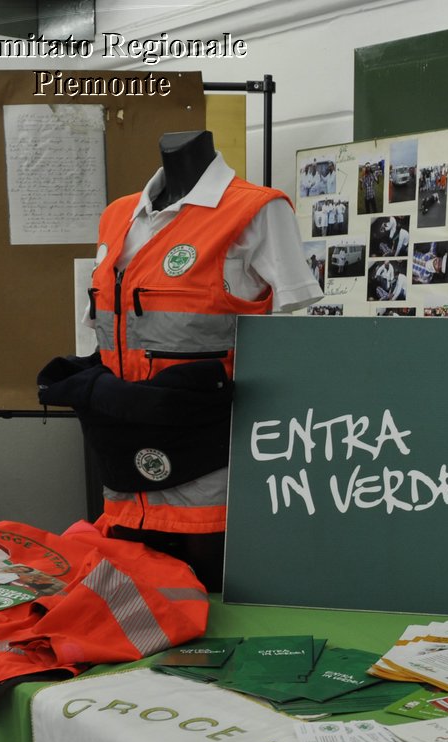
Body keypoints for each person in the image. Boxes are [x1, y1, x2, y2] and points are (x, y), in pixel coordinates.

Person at [45, 131, 321, 590]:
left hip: (208, 462)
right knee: (140, 615)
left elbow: (294, 340)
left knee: (214, 615)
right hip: (123, 459)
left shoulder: (257, 210)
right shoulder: (117, 216)